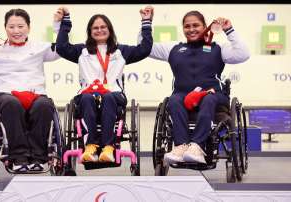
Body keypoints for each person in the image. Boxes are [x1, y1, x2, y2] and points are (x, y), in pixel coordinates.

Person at [146, 10, 250, 164]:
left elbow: (243, 54)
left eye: (196, 25)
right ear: (183, 29)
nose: (191, 29)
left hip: (213, 95)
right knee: (173, 100)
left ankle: (197, 147)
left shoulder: (218, 48)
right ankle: (181, 146)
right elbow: (145, 48)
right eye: (187, 26)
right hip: (183, 96)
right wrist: (146, 22)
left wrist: (229, 30)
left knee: (208, 99)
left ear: (204, 26)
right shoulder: (174, 48)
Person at [0, 8, 60, 172]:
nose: (16, 31)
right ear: (5, 28)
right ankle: (18, 157)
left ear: (29, 27)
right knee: (11, 104)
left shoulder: (40, 47)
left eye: (20, 26)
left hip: (35, 95)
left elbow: (61, 50)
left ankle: (38, 157)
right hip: (5, 95)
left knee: (44, 106)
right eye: (11, 27)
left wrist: (58, 25)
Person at [55, 6, 153, 163]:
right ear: (90, 31)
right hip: (88, 95)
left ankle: (108, 147)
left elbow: (145, 49)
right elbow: (61, 47)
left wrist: (146, 23)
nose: (99, 30)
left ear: (110, 30)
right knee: (86, 98)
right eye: (95, 28)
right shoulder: (82, 51)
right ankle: (91, 145)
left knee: (108, 97)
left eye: (103, 27)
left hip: (113, 95)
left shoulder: (121, 51)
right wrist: (65, 22)